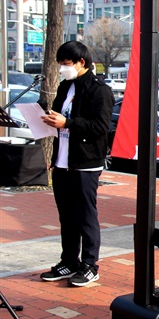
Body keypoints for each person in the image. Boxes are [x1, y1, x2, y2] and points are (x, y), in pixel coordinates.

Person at [40, 41, 115, 286]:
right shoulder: (65, 87)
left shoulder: (98, 90)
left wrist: (68, 124)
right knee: (67, 216)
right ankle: (69, 261)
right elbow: (59, 118)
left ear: (82, 62)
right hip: (62, 161)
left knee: (85, 216)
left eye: (67, 64)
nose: (63, 69)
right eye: (60, 64)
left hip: (85, 162)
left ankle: (90, 264)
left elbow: (101, 127)